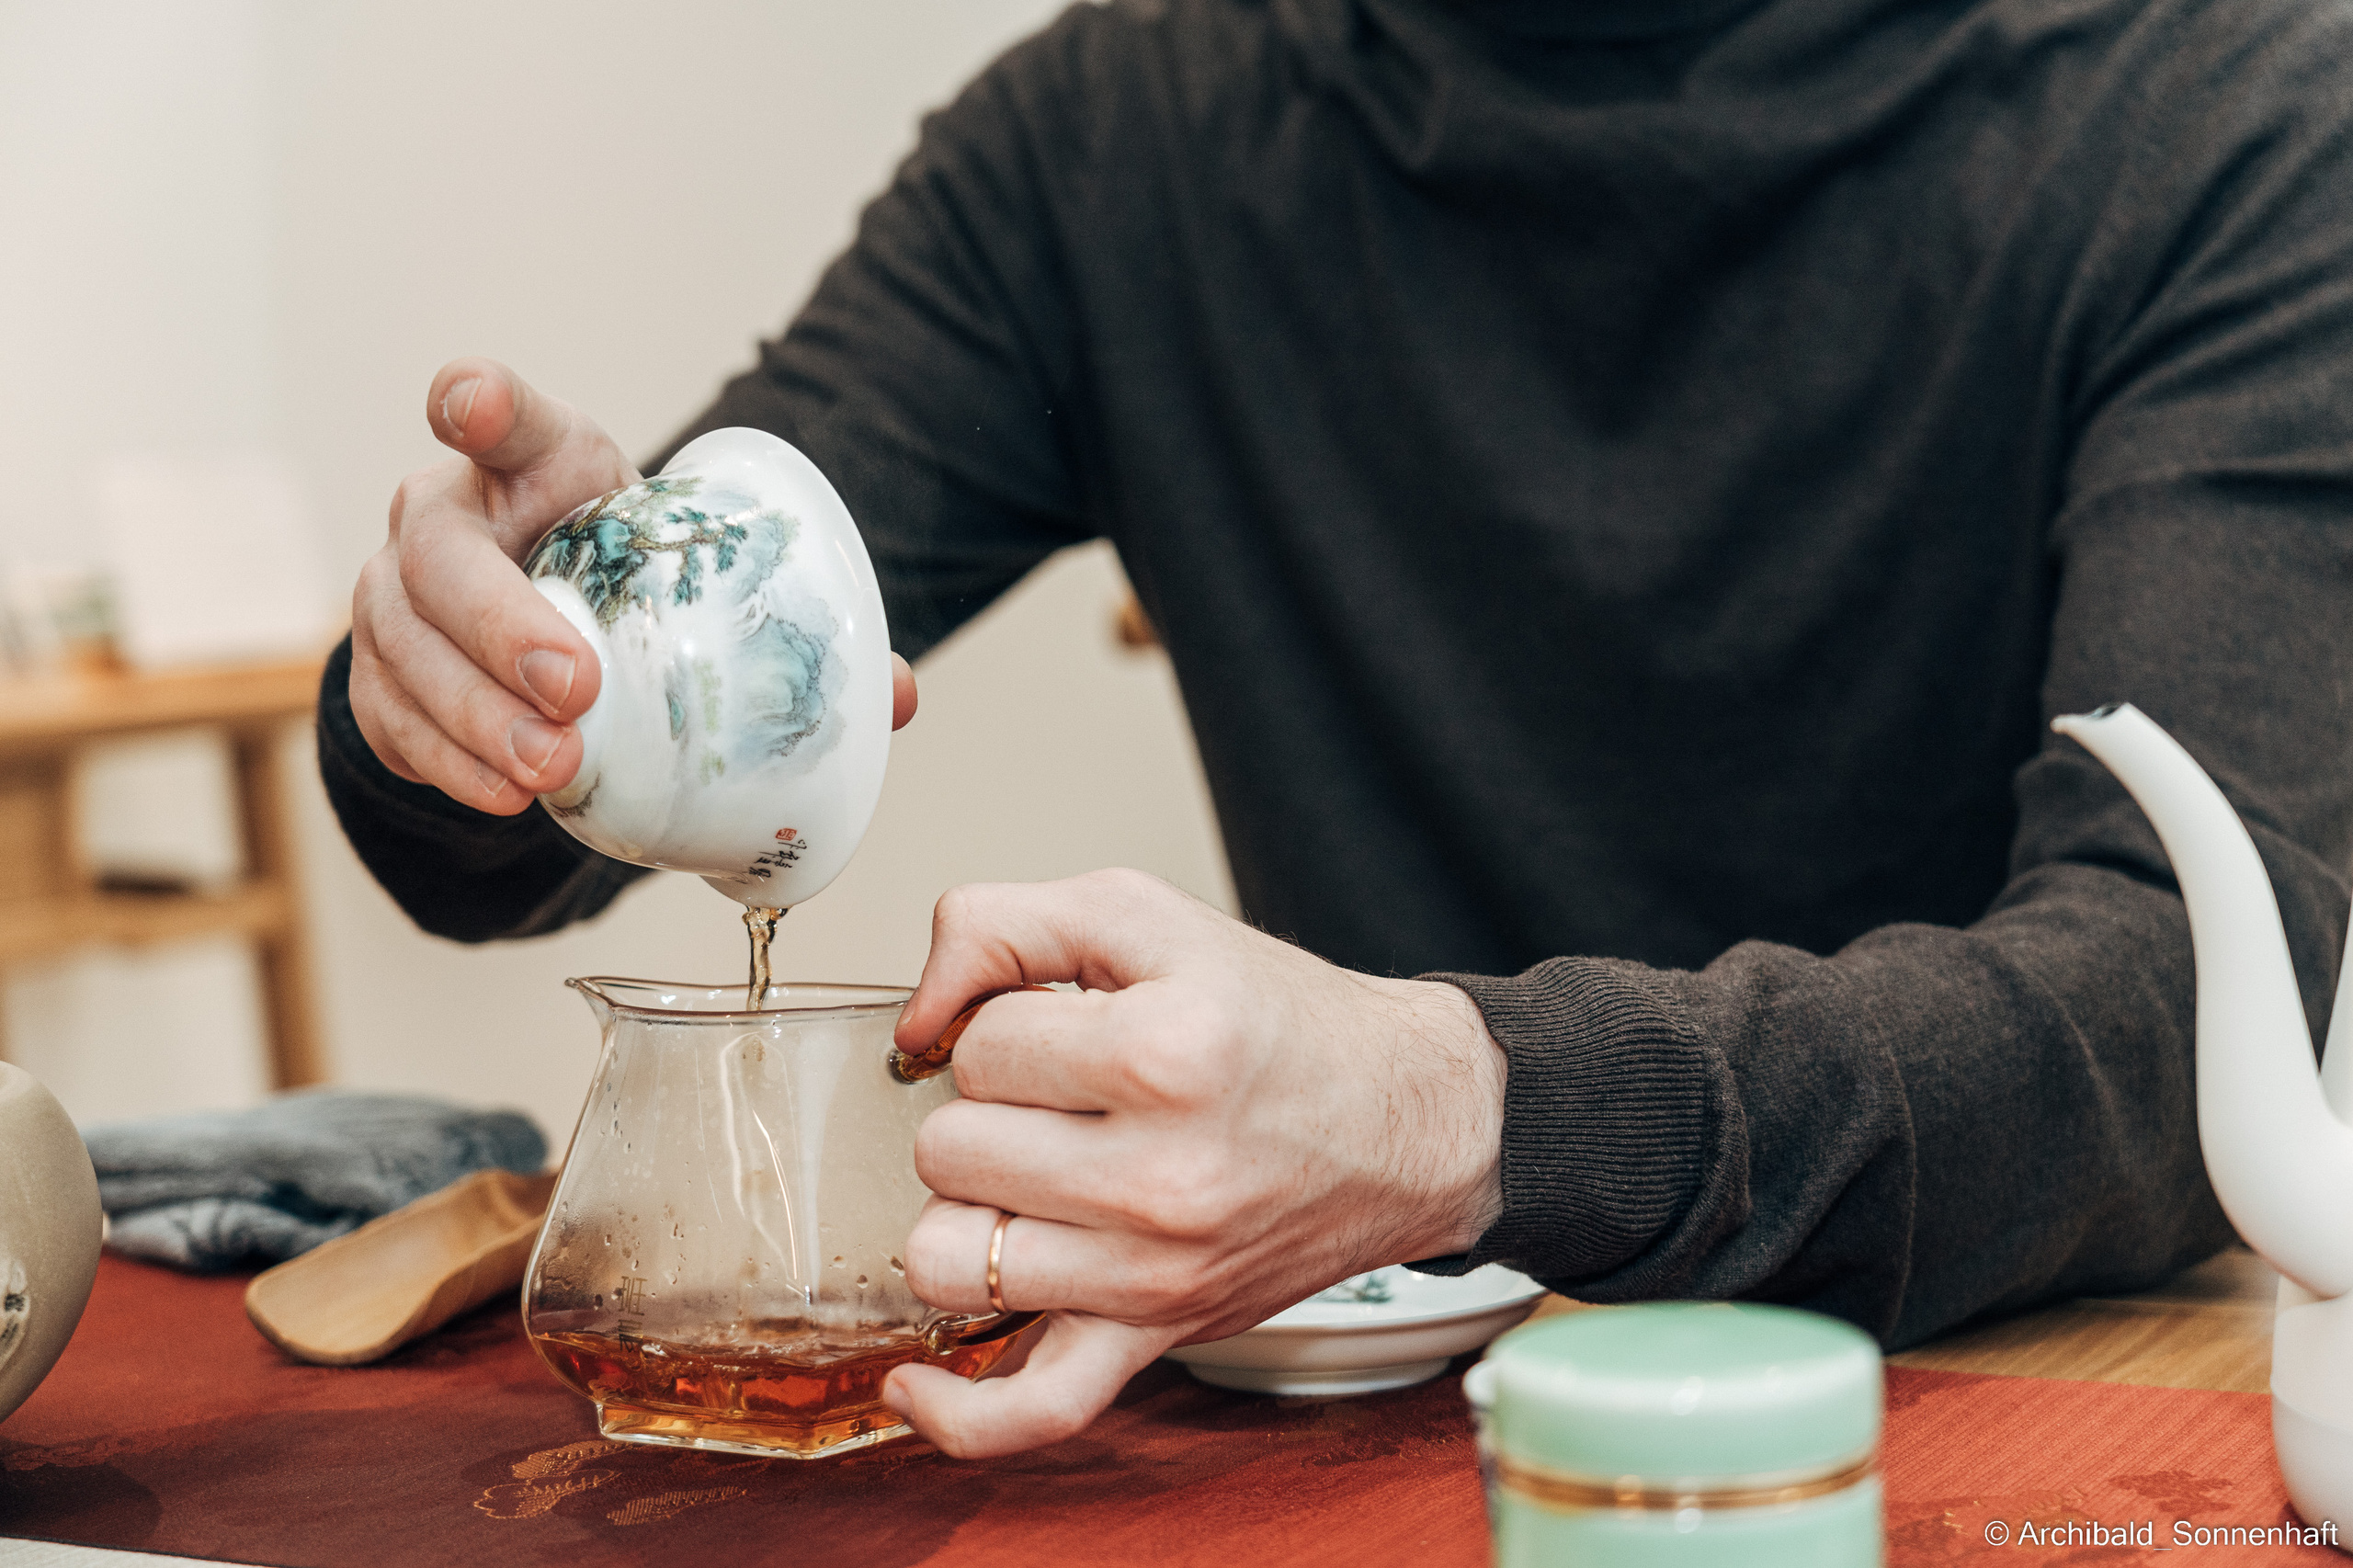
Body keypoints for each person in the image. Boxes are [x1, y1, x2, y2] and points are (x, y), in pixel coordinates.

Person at [322, 0, 2353, 1459]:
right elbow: (561, 778)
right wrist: (479, 679)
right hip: (1346, 1433)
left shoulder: (2229, 109)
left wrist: (1469, 1111)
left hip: (2005, 1383)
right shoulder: (1121, 128)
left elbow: (2190, 985)